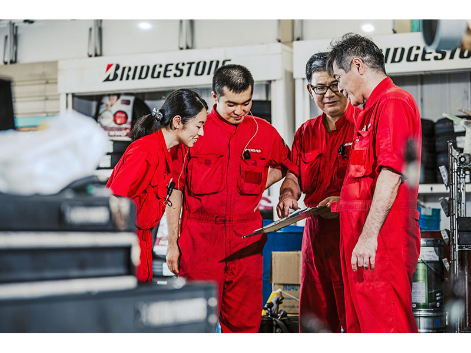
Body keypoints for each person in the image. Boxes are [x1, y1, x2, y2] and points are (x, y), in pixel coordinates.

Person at [166, 64, 297, 333]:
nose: (240, 111)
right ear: (215, 98)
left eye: (246, 103)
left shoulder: (263, 132)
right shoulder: (194, 132)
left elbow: (288, 164)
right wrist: (172, 244)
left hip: (245, 243)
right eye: (231, 104)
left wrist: (271, 185)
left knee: (244, 326)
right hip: (200, 241)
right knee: (195, 325)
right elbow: (175, 189)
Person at [326, 33, 422, 333]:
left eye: (339, 77)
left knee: (386, 327)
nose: (338, 87)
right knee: (362, 328)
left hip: (382, 241)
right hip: (363, 240)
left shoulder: (393, 102)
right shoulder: (368, 111)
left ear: (358, 66)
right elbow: (363, 179)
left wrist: (368, 237)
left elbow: (392, 175)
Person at [276, 52, 360, 333]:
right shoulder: (305, 133)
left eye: (334, 85)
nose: (328, 94)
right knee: (315, 319)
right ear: (310, 90)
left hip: (353, 235)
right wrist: (288, 194)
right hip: (314, 236)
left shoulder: (363, 125)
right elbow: (293, 174)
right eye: (319, 88)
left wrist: (344, 200)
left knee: (355, 316)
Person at [106, 89, 208, 282]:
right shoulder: (146, 152)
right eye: (198, 125)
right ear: (177, 122)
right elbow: (114, 205)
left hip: (142, 245)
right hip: (126, 248)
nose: (201, 133)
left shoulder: (164, 153)